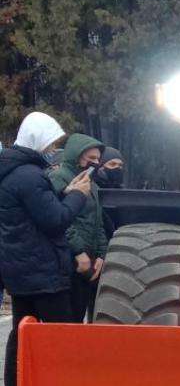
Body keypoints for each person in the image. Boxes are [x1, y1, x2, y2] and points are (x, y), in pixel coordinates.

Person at [0, 112, 92, 386]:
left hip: (18, 270)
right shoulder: (29, 176)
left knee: (20, 339)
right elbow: (55, 220)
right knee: (61, 339)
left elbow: (35, 213)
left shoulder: (10, 172)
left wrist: (64, 195)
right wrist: (78, 196)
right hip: (43, 271)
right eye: (51, 144)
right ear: (38, 140)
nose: (53, 151)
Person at [49, 132, 108, 322]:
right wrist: (78, 251)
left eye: (98, 159)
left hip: (88, 262)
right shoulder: (58, 178)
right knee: (66, 320)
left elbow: (98, 222)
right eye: (91, 157)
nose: (95, 163)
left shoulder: (92, 185)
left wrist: (101, 254)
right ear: (77, 155)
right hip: (67, 260)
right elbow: (59, 219)